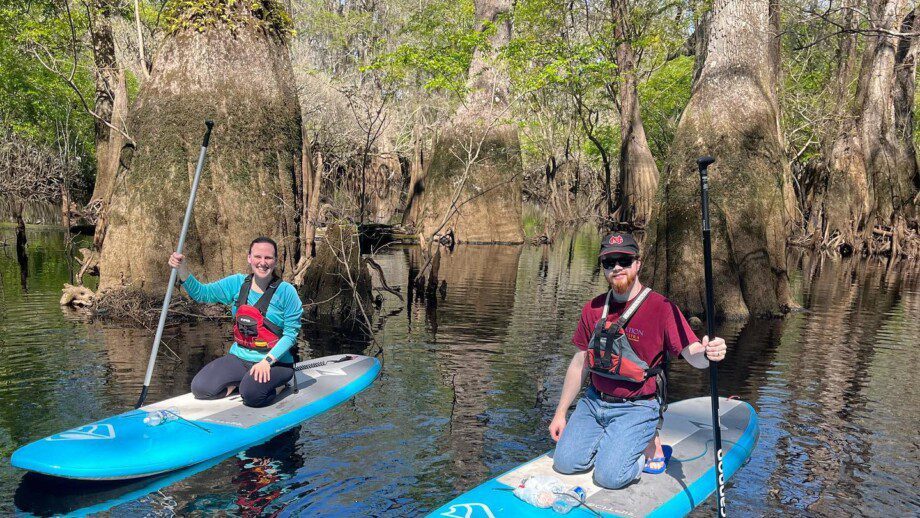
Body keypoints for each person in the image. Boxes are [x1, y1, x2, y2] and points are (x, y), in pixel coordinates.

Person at [549, 231, 727, 489]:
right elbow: (580, 363)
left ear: (638, 263)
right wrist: (561, 412)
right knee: (565, 463)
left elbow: (694, 355)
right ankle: (612, 441)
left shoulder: (662, 307)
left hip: (636, 406)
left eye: (624, 259)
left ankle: (648, 442)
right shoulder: (594, 308)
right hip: (594, 402)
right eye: (609, 262)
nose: (617, 267)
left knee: (609, 477)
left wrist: (709, 354)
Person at [168, 237, 304, 408]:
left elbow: (290, 335)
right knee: (200, 388)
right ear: (249, 258)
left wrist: (267, 361)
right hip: (240, 358)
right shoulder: (237, 283)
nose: (263, 262)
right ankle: (240, 384)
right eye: (258, 257)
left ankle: (278, 385)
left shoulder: (287, 292)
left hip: (275, 362)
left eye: (268, 258)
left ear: (275, 261)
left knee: (253, 395)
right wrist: (182, 270)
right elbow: (202, 294)